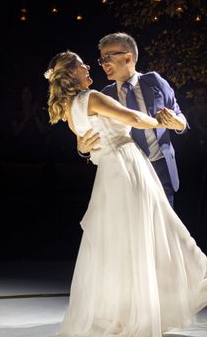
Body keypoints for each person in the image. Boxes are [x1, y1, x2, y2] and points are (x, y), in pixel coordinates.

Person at [41, 51, 207, 337]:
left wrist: (83, 148)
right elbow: (132, 118)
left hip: (111, 175)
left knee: (131, 241)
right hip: (127, 169)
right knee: (163, 231)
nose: (88, 66)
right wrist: (165, 122)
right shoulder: (93, 97)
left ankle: (134, 312)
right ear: (72, 74)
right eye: (82, 64)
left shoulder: (71, 109)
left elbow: (87, 145)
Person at [76, 33, 186, 207]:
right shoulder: (104, 96)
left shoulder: (155, 81)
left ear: (128, 57)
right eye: (101, 60)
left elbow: (180, 116)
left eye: (108, 57)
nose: (103, 64)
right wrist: (83, 149)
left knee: (164, 231)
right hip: (125, 172)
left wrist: (179, 123)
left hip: (160, 169)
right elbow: (93, 137)